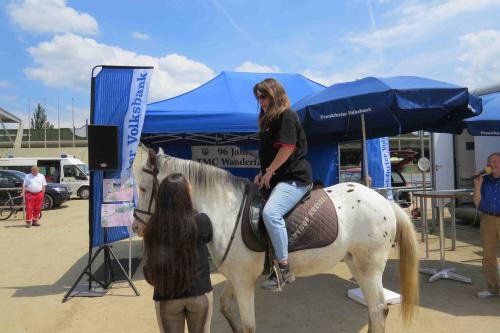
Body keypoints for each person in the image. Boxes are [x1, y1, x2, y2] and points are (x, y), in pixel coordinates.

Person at [253, 78, 313, 291]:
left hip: (295, 178)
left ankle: (284, 268)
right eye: (258, 97)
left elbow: (287, 148)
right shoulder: (269, 121)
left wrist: (269, 171)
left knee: (271, 214)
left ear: (275, 95)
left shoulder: (287, 116)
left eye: (264, 96)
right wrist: (263, 173)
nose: (261, 100)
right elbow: (271, 155)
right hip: (279, 178)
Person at [143, 173, 213, 333]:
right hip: (199, 293)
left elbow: (149, 265)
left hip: (166, 295)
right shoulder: (201, 221)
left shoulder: (153, 227)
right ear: (185, 196)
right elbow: (208, 237)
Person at [473, 152, 500, 298]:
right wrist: (478, 185)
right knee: (488, 256)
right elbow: (477, 203)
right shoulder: (485, 181)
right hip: (488, 219)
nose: (492, 164)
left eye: (495, 161)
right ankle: (492, 288)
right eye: (490, 161)